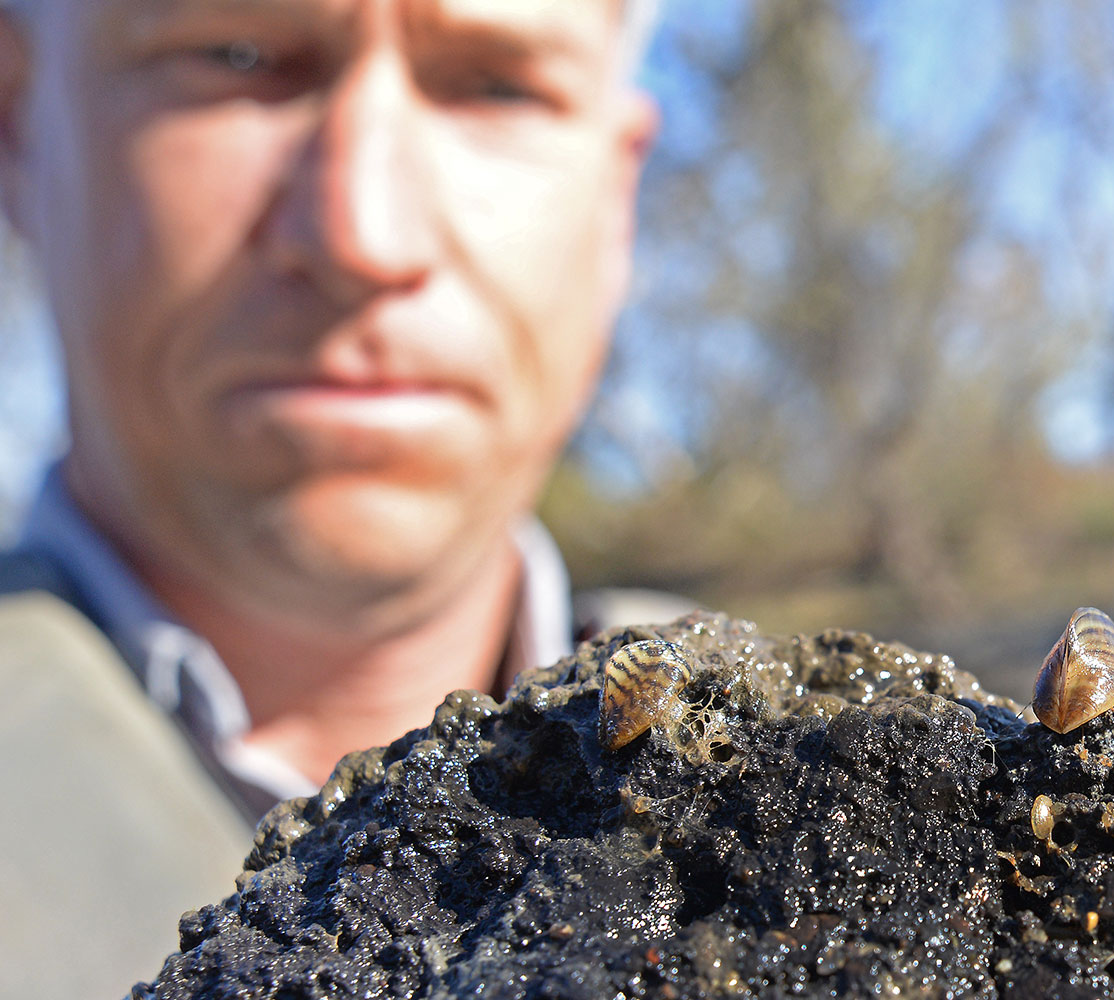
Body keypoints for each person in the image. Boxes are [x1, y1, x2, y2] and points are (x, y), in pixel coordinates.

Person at [0, 0, 678, 995]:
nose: (363, 233)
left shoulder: (928, 795)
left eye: (495, 83)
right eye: (239, 56)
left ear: (619, 187)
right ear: (16, 123)